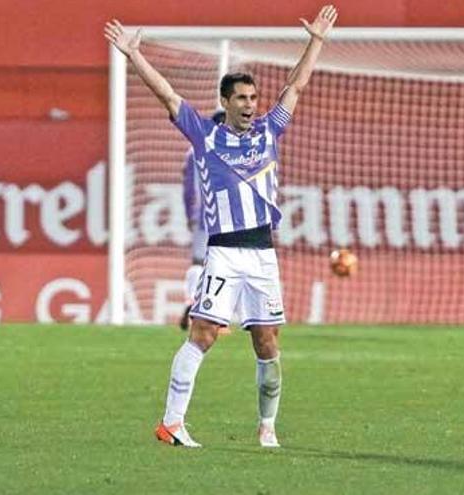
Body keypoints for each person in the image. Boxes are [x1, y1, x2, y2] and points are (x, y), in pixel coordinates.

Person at [105, 4, 338, 448]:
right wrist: (135, 56)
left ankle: (267, 426)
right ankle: (171, 422)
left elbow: (297, 85)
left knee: (267, 344)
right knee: (204, 333)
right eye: (243, 99)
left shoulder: (270, 131)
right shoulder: (206, 136)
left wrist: (317, 41)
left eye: (254, 98)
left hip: (263, 255)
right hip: (224, 252)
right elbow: (169, 97)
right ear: (226, 102)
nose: (251, 105)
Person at [179, 110, 225, 332]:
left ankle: (191, 302)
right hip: (227, 219)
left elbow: (188, 189)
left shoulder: (193, 152)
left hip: (202, 218)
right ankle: (215, 316)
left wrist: (190, 214)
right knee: (222, 267)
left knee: (198, 263)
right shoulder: (232, 151)